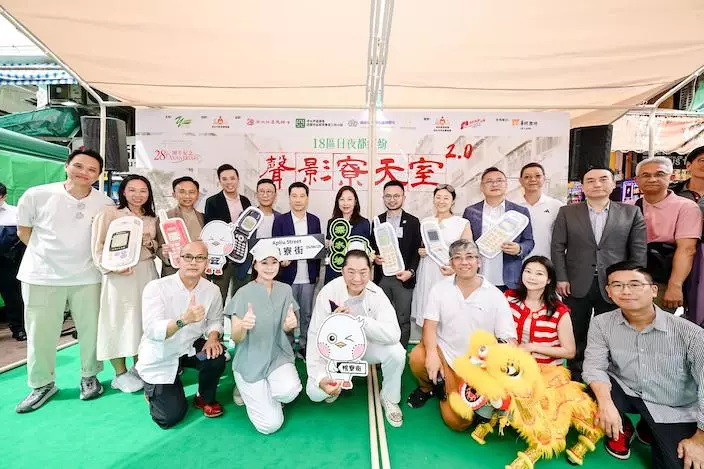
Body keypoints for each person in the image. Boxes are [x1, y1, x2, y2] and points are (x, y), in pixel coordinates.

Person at [15, 149, 114, 413]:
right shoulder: (36, 195)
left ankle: (89, 375)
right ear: (66, 166)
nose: (84, 173)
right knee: (40, 332)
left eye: (92, 170)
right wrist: (50, 258)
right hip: (41, 276)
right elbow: (24, 232)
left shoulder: (105, 203)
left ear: (98, 175)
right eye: (79, 166)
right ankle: (42, 384)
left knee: (91, 330)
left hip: (88, 276)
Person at [583, 261, 704, 468]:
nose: (626, 291)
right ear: (609, 292)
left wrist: (700, 439)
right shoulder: (601, 323)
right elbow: (594, 365)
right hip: (627, 390)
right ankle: (624, 425)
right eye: (617, 285)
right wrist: (606, 404)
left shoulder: (691, 334)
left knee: (679, 464)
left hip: (671, 406)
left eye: (635, 284)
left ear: (654, 290)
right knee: (585, 386)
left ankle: (648, 427)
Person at [407, 239, 516, 431]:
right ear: (451, 263)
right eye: (458, 258)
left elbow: (509, 339)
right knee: (417, 357)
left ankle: (446, 387)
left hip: (476, 365)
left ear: (479, 261)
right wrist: (432, 354)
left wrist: (489, 366)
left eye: (470, 257)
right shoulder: (439, 289)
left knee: (459, 422)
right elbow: (430, 325)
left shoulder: (495, 295)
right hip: (445, 354)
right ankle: (428, 388)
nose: (464, 262)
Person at [551, 167, 647, 380]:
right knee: (577, 331)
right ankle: (577, 377)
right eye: (590, 180)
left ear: (613, 184)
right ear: (583, 186)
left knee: (615, 331)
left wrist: (631, 283)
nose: (597, 184)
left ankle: (611, 378)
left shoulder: (631, 212)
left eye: (603, 179)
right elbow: (557, 247)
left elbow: (638, 251)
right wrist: (561, 277)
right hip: (576, 282)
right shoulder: (568, 212)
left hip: (615, 285)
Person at [306, 249, 406, 427]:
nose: (357, 278)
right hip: (336, 351)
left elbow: (393, 334)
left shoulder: (376, 293)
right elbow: (315, 336)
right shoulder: (328, 292)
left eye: (363, 272)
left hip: (366, 347)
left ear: (371, 272)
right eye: (351, 272)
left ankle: (389, 398)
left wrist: (361, 322)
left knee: (397, 352)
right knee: (315, 393)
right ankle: (336, 383)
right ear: (342, 271)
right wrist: (320, 377)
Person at [137, 241, 226, 429]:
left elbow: (215, 320)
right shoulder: (156, 288)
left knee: (215, 355)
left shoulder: (212, 290)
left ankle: (204, 397)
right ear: (178, 260)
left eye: (200, 258)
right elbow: (152, 330)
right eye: (188, 257)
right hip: (162, 354)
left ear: (207, 262)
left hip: (191, 349)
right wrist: (183, 320)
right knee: (169, 418)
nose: (194, 262)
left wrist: (212, 338)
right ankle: (153, 391)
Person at [91, 174, 159, 392]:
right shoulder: (110, 213)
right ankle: (119, 373)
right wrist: (112, 268)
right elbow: (98, 247)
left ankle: (140, 368)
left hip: (146, 272)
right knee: (118, 321)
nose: (138, 195)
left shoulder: (152, 217)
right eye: (132, 190)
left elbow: (156, 246)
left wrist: (150, 242)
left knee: (144, 321)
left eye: (143, 191)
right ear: (123, 192)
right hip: (119, 276)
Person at [227, 244, 302, 434]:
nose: (269, 267)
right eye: (264, 262)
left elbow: (284, 328)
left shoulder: (285, 290)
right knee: (269, 426)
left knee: (290, 391)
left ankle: (264, 392)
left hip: (277, 355)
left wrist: (290, 324)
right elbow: (236, 337)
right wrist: (243, 326)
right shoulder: (243, 293)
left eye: (274, 262)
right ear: (255, 265)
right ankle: (245, 387)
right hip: (250, 360)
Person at [634, 157, 701, 313]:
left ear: (671, 177)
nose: (652, 179)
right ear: (637, 180)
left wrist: (675, 285)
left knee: (654, 324)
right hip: (631, 278)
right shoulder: (630, 206)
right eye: (646, 175)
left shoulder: (686, 207)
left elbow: (687, 249)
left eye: (659, 174)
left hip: (662, 280)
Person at [463, 167, 534, 291]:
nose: (494, 184)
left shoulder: (520, 211)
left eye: (499, 180)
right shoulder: (470, 211)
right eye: (489, 181)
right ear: (481, 187)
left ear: (506, 185)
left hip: (509, 278)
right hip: (477, 276)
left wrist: (519, 248)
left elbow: (529, 241)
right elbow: (464, 243)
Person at [271, 182, 321, 358]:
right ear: (289, 198)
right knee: (287, 314)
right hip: (287, 276)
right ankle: (288, 346)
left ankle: (305, 345)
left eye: (302, 196)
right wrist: (280, 260)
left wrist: (316, 271)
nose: (298, 200)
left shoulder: (314, 220)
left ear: (307, 198)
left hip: (308, 276)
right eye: (294, 196)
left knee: (306, 314)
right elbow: (275, 247)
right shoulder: (280, 220)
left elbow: (317, 248)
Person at [370, 180, 422, 349]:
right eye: (388, 196)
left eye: (396, 196)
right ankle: (380, 353)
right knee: (380, 317)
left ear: (403, 198)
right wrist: (375, 258)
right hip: (382, 278)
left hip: (403, 278)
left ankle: (400, 352)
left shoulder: (413, 221)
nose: (392, 200)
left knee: (403, 319)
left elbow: (416, 251)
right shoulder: (377, 221)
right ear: (383, 198)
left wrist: (411, 272)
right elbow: (372, 247)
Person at [411, 184, 472, 328]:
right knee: (427, 313)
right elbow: (423, 246)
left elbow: (468, 252)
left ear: (453, 201)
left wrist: (455, 269)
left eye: (446, 198)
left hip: (448, 273)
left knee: (447, 314)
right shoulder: (426, 222)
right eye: (438, 197)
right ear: (433, 200)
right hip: (427, 271)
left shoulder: (461, 223)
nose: (441, 201)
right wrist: (422, 251)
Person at [504, 256, 575, 366]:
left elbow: (569, 352)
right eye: (528, 271)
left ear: (549, 280)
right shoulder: (508, 298)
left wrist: (534, 347)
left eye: (539, 274)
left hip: (546, 370)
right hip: (510, 365)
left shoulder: (559, 311)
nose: (532, 277)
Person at [204, 164, 252, 303]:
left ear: (238, 179)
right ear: (219, 181)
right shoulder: (212, 202)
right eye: (224, 179)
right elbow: (210, 229)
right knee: (219, 297)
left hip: (242, 256)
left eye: (232, 178)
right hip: (222, 258)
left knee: (241, 297)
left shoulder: (245, 201)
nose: (229, 182)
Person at [513, 162, 564, 259]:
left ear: (544, 179)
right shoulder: (513, 206)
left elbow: (562, 237)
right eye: (527, 177)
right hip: (518, 260)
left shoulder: (556, 205)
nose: (532, 179)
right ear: (520, 181)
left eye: (537, 176)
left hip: (546, 260)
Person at [156, 176, 205, 277]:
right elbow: (159, 248)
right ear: (174, 194)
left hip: (200, 273)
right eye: (182, 192)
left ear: (197, 195)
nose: (187, 196)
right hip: (175, 273)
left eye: (192, 192)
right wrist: (166, 254)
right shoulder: (165, 218)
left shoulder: (204, 217)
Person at [324, 186, 371, 284]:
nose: (345, 203)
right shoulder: (332, 222)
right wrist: (327, 245)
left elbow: (368, 249)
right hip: (334, 272)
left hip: (355, 274)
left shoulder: (364, 223)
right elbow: (328, 249)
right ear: (337, 202)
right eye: (342, 199)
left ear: (355, 202)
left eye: (349, 199)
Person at [0, 182, 26, 340]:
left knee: (13, 296)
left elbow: (24, 236)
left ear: (4, 197)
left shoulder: (15, 213)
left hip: (8, 263)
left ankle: (19, 328)